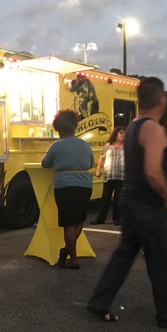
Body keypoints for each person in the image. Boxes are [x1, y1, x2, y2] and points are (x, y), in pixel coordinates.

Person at [87, 77, 167, 330]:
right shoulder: (153, 129)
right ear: (161, 100)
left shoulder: (133, 126)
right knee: (161, 264)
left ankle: (99, 302)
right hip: (149, 204)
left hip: (129, 199)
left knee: (123, 256)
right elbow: (152, 171)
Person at [41, 109, 94, 270]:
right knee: (80, 219)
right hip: (85, 185)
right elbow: (90, 164)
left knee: (68, 224)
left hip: (64, 185)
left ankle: (73, 259)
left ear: (60, 130)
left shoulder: (56, 146)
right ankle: (66, 251)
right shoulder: (85, 145)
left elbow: (45, 164)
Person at [90, 126, 126, 226]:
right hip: (109, 176)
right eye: (121, 133)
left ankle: (117, 219)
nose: (122, 135)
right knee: (105, 199)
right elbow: (101, 158)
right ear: (116, 134)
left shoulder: (127, 146)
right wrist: (98, 169)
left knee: (118, 199)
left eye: (124, 133)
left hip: (121, 176)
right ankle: (100, 218)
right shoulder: (108, 145)